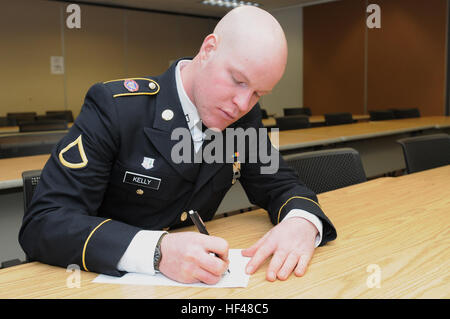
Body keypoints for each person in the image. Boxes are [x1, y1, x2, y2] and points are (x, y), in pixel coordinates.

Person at [19, 6, 336, 285]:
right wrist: (156, 251)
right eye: (238, 80)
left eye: (258, 93)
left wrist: (302, 222)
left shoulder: (241, 116)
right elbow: (44, 222)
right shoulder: (117, 108)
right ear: (209, 49)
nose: (242, 103)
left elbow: (279, 181)